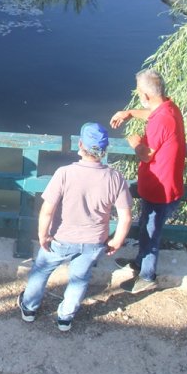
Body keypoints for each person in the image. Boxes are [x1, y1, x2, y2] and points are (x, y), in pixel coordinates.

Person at [18, 122, 132, 332]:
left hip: (61, 238)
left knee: (41, 271)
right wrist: (116, 240)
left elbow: (47, 210)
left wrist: (43, 235)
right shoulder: (115, 177)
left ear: (80, 145)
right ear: (104, 150)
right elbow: (125, 216)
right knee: (80, 278)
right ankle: (65, 318)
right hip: (94, 241)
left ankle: (29, 308)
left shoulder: (65, 173)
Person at [110, 68, 187, 294]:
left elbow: (146, 154)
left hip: (160, 190)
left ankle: (146, 276)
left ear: (146, 95)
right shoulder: (169, 108)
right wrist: (131, 113)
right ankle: (139, 262)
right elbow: (151, 113)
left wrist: (134, 142)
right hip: (160, 185)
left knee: (151, 234)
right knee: (146, 228)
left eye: (139, 92)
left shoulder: (161, 121)